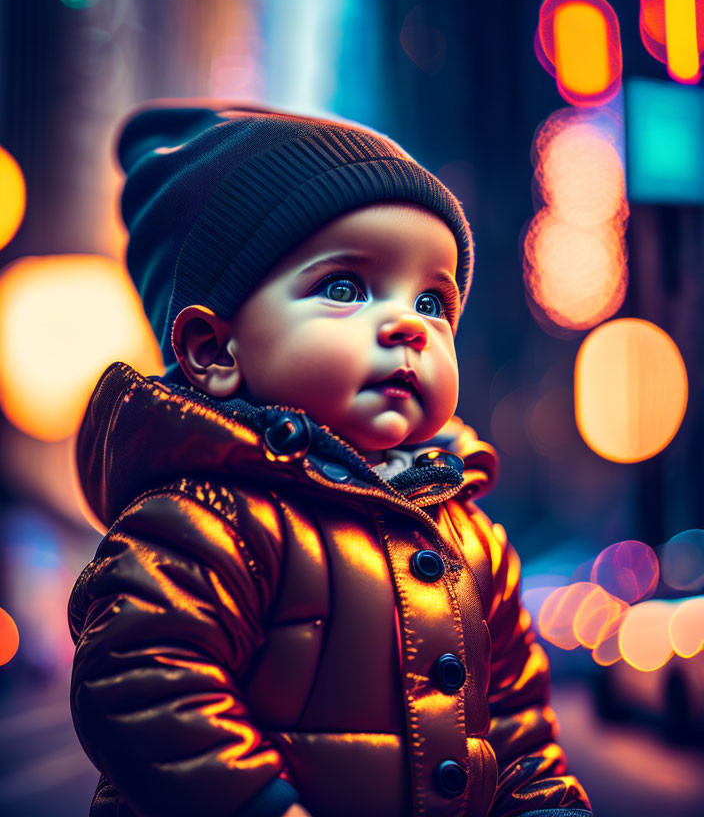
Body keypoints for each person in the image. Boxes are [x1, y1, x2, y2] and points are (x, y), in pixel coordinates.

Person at [68, 102, 592, 817]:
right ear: (214, 352)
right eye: (345, 288)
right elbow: (145, 686)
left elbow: (518, 733)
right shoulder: (202, 522)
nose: (409, 323)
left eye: (435, 301)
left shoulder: (471, 540)